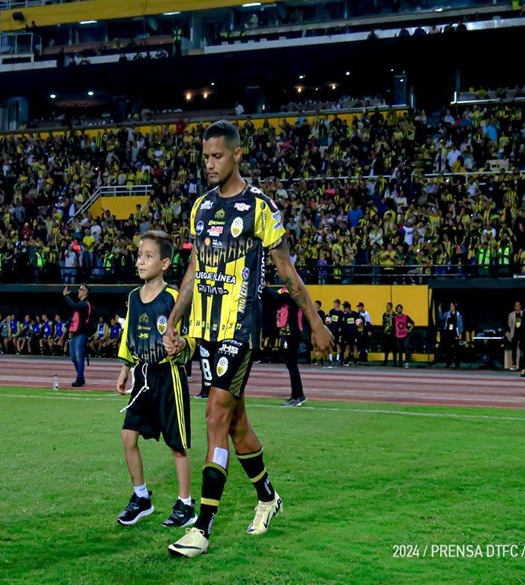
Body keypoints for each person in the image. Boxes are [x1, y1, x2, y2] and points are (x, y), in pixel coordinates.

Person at [163, 120, 333, 558]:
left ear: (238, 155)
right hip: (205, 331)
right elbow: (193, 272)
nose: (210, 164)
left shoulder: (260, 207)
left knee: (215, 416)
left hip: (241, 329)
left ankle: (202, 528)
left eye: (217, 156)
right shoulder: (200, 208)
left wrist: (315, 321)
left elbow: (286, 271)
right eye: (205, 157)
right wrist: (174, 321)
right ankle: (267, 498)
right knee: (236, 424)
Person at [116, 230, 196, 528]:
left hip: (168, 376)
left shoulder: (174, 298)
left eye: (148, 256)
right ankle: (141, 498)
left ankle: (186, 505)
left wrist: (181, 346)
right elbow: (129, 334)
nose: (141, 261)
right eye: (139, 255)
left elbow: (190, 336)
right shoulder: (134, 297)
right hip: (142, 375)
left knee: (177, 445)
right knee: (127, 436)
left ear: (164, 263)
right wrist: (126, 367)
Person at [274, 286, 306, 406]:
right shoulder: (286, 295)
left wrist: (265, 289)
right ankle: (298, 394)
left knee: (291, 364)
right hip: (287, 333)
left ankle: (296, 395)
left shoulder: (293, 296)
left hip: (291, 333)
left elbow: (281, 298)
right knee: (291, 363)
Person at [62, 283, 93, 387]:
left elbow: (73, 306)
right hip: (75, 333)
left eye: (81, 289)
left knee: (79, 357)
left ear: (86, 292)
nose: (79, 291)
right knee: (73, 358)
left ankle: (79, 379)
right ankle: (81, 377)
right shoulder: (81, 305)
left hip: (81, 333)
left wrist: (66, 296)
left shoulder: (84, 304)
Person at [440, 302, 463, 368]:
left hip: (455, 333)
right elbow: (441, 318)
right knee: (448, 349)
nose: (451, 307)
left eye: (452, 306)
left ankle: (457, 364)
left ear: (455, 307)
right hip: (448, 333)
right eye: (450, 306)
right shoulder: (447, 314)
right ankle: (448, 364)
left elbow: (460, 324)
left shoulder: (458, 315)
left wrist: (460, 333)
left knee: (456, 349)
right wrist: (439, 310)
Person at [505, 301, 523, 371]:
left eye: (518, 305)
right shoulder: (511, 314)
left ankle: (523, 365)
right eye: (516, 305)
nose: (517, 306)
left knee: (522, 350)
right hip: (514, 334)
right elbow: (509, 325)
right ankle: (514, 364)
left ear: (520, 306)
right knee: (514, 350)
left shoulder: (523, 313)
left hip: (522, 334)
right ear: (514, 307)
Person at [380, 302, 395, 366]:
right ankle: (385, 361)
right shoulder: (384, 314)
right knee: (386, 348)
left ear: (391, 307)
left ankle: (394, 362)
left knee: (394, 348)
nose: (387, 308)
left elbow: (393, 324)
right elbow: (383, 323)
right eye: (386, 306)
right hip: (386, 333)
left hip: (392, 334)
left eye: (388, 306)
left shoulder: (394, 315)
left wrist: (391, 315)